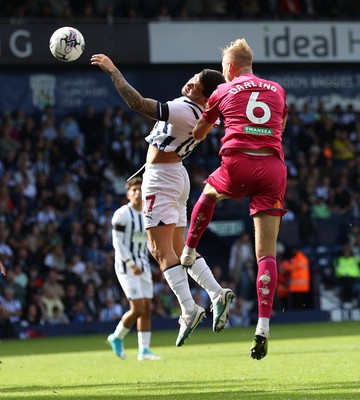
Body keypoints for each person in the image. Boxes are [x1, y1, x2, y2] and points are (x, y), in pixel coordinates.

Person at [91, 54, 234, 347]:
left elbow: (138, 104)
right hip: (177, 175)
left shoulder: (184, 109)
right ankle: (216, 293)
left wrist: (114, 71)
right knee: (180, 248)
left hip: (161, 178)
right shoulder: (207, 114)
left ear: (201, 91)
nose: (190, 80)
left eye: (195, 79)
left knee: (159, 249)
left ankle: (189, 308)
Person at [180, 38, 288, 360]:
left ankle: (188, 251)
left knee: (209, 193)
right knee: (266, 254)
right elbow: (280, 122)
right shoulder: (276, 89)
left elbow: (199, 133)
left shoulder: (222, 91)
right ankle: (263, 325)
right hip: (272, 168)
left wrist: (214, 124)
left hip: (238, 162)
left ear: (228, 68)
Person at [106, 177, 161, 361]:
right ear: (128, 194)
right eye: (134, 190)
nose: (138, 192)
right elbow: (117, 243)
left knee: (146, 308)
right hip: (126, 266)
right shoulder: (122, 215)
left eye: (140, 189)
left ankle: (144, 351)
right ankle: (117, 337)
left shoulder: (148, 214)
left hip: (143, 264)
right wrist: (131, 263)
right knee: (137, 308)